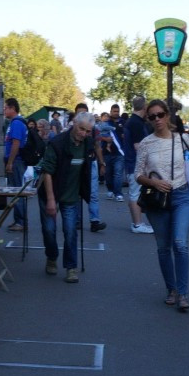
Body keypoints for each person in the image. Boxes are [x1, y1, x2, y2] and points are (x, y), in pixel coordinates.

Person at [136, 99, 189, 311]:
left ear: (167, 115)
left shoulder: (182, 139)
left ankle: (183, 293)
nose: (157, 119)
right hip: (157, 200)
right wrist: (154, 182)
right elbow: (137, 174)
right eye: (152, 116)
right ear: (148, 119)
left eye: (160, 114)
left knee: (180, 243)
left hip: (181, 196)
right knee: (163, 247)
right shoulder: (146, 143)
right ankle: (171, 289)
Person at [37, 111, 95, 284]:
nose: (84, 134)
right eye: (82, 129)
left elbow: (88, 162)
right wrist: (50, 200)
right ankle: (52, 256)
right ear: (74, 124)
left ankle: (71, 267)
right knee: (49, 230)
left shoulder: (88, 143)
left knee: (70, 231)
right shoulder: (57, 143)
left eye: (88, 131)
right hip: (51, 192)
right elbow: (47, 172)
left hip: (71, 195)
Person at [75, 103, 106, 233]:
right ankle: (76, 220)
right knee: (76, 193)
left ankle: (94, 221)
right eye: (80, 113)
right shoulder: (71, 129)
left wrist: (102, 163)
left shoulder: (94, 129)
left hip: (91, 163)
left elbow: (97, 146)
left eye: (85, 113)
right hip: (76, 163)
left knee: (93, 193)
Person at [124, 96, 153, 234]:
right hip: (136, 164)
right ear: (144, 107)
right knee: (135, 194)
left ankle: (137, 223)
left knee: (134, 193)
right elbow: (138, 146)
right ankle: (137, 224)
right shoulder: (136, 123)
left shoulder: (132, 121)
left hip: (132, 163)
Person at [3, 97, 29, 231]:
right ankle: (18, 220)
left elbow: (16, 143)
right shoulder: (14, 123)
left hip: (16, 161)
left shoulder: (17, 123)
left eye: (6, 108)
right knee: (16, 190)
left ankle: (21, 222)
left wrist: (10, 162)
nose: (4, 110)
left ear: (12, 108)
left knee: (17, 191)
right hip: (16, 161)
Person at [101, 104, 127, 202]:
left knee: (118, 174)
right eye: (114, 111)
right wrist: (105, 139)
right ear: (111, 111)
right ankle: (110, 190)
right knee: (108, 174)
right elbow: (98, 136)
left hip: (119, 153)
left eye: (117, 111)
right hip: (107, 153)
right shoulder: (106, 123)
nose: (116, 113)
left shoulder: (123, 122)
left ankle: (118, 193)